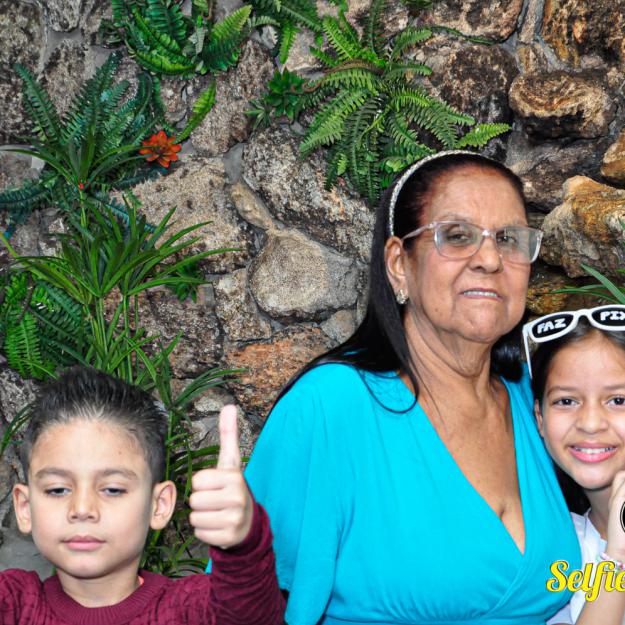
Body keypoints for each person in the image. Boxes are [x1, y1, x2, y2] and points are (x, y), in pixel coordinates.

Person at [242, 150, 582, 624]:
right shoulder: (330, 407)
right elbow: (245, 603)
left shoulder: (539, 402)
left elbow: (606, 552)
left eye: (509, 239)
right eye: (457, 236)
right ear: (399, 263)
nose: (490, 259)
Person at [0, 366, 285, 625]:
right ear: (25, 508)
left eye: (112, 489)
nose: (82, 508)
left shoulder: (193, 610)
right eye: (58, 489)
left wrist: (243, 546)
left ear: (158, 505)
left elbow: (250, 614)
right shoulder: (14, 604)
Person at [525, 306, 625, 624]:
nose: (591, 423)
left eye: (618, 400)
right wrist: (617, 557)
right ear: (540, 419)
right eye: (566, 401)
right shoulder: (554, 547)